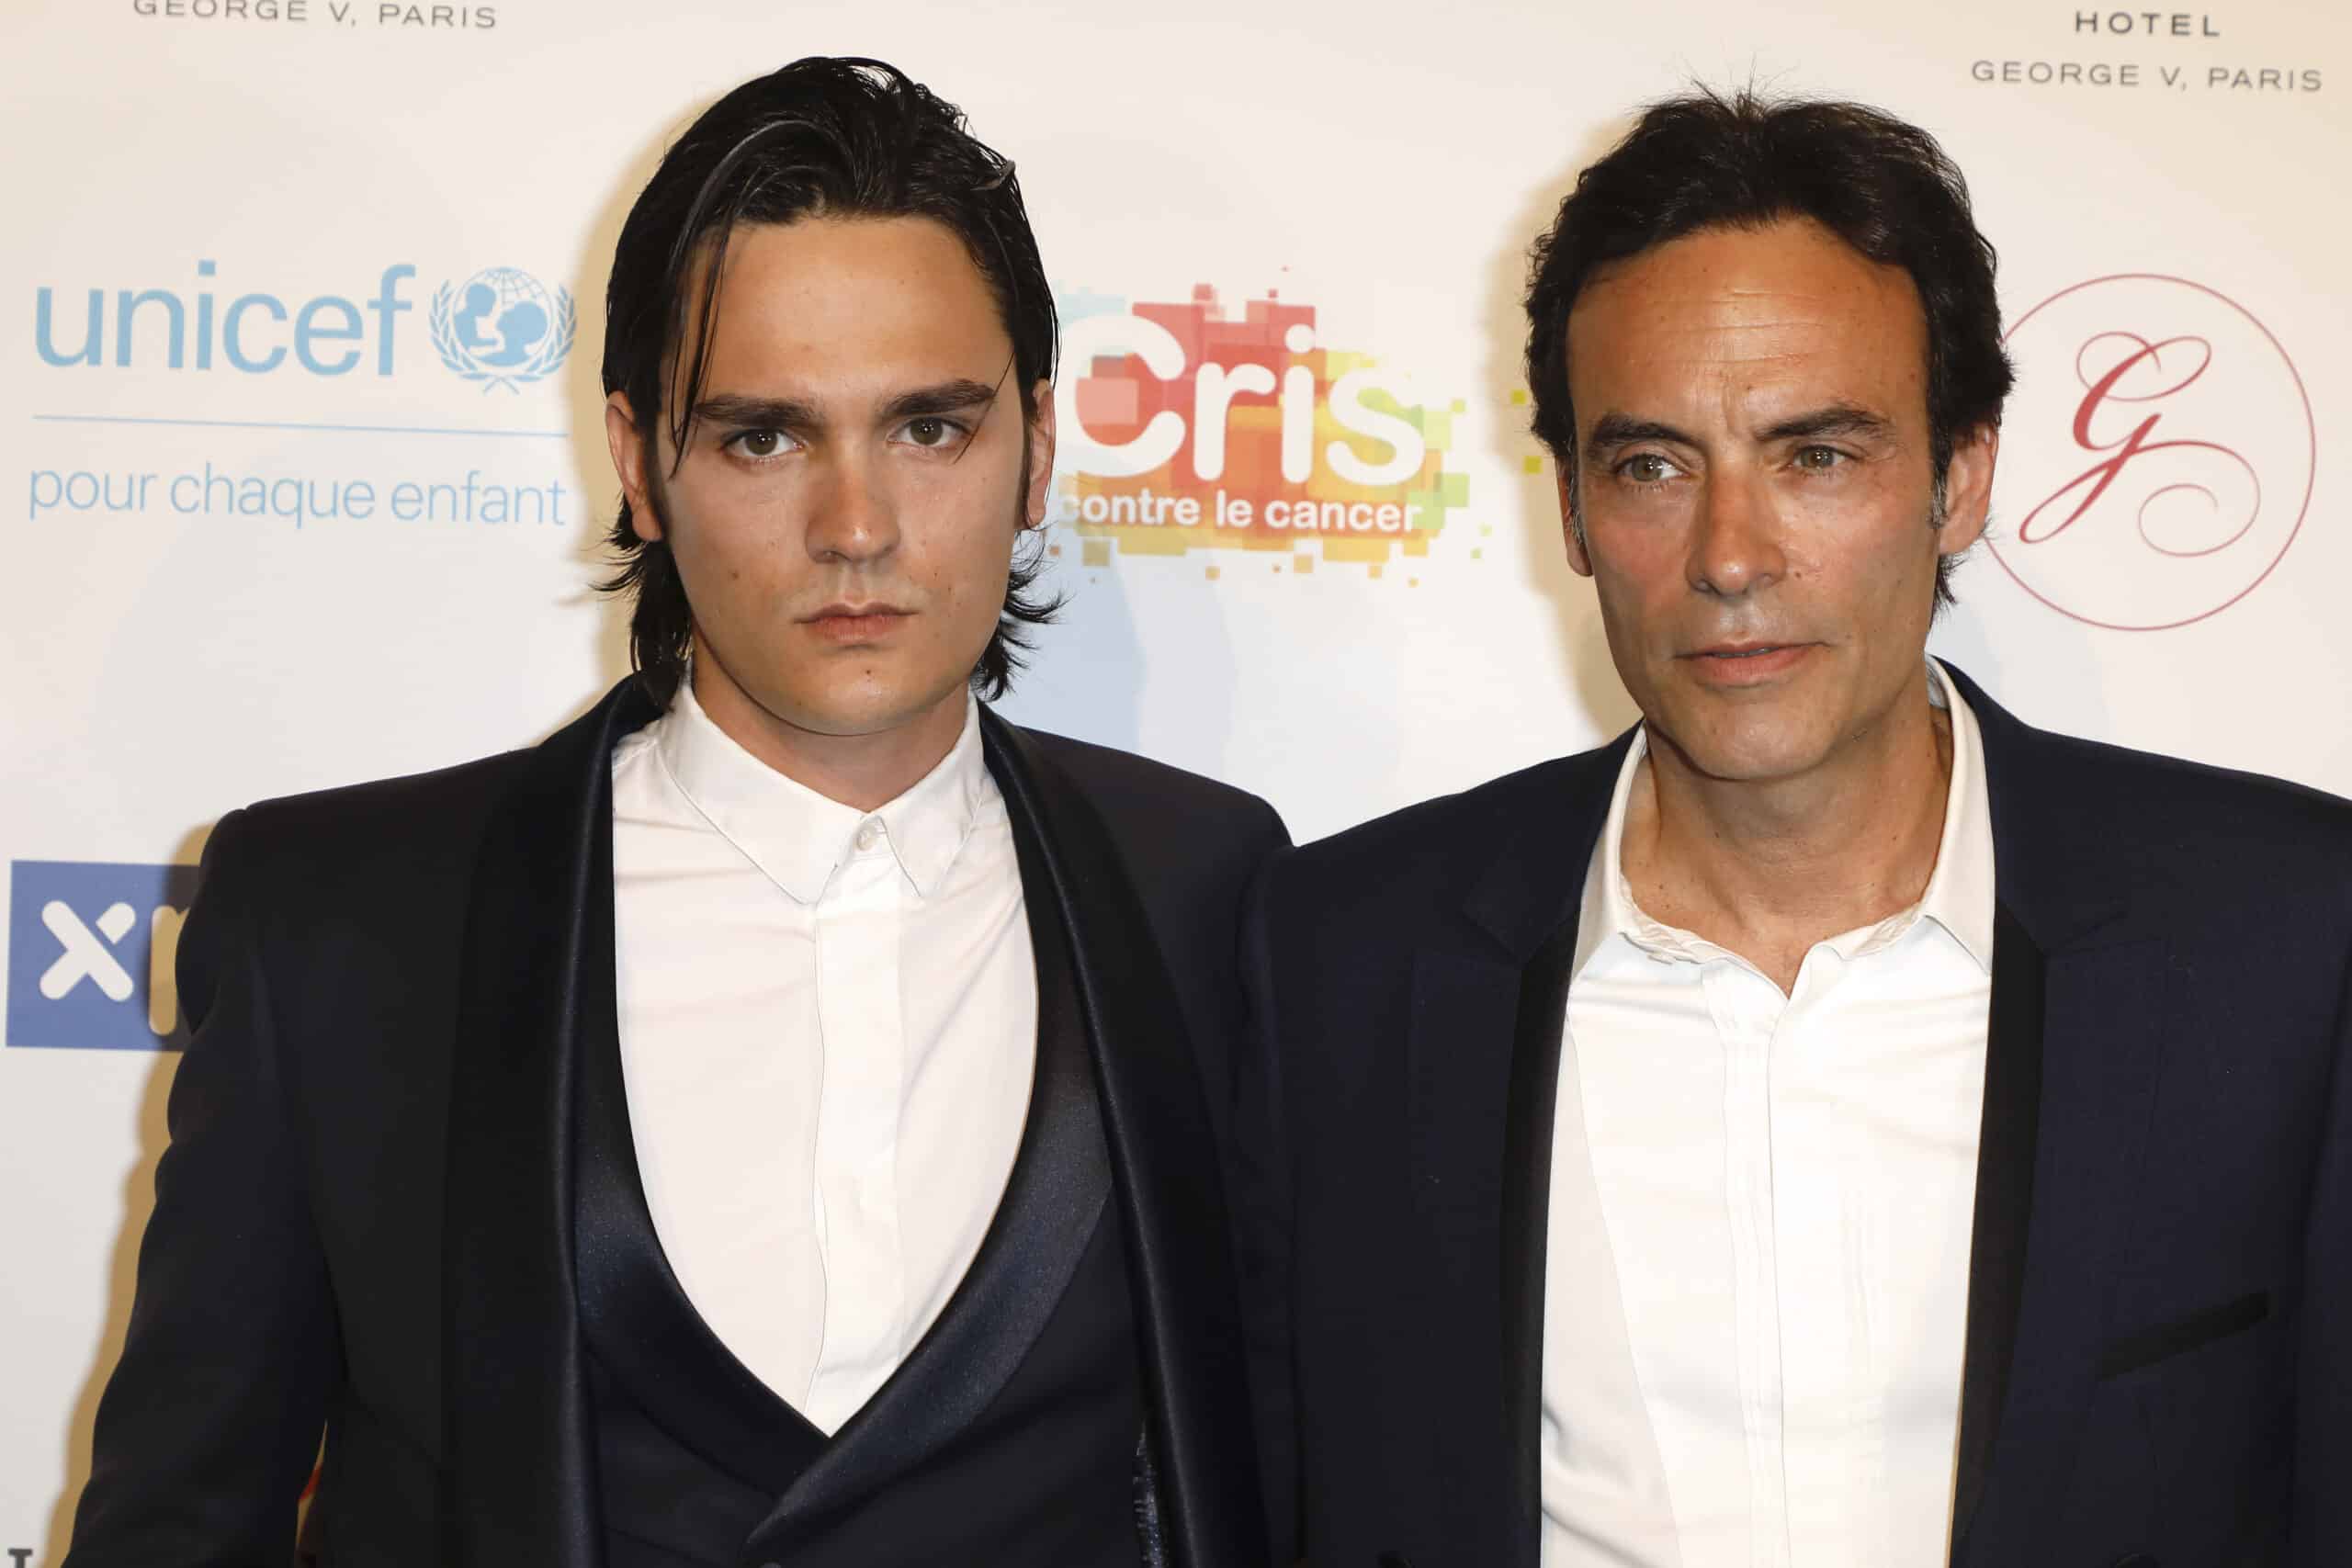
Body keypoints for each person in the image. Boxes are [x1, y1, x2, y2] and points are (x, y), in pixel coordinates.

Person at [64, 57, 1287, 1568]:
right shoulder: (339, 925)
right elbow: (180, 1527)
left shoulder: (1212, 891)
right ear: (640, 463)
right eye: (764, 436)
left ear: (1037, 445)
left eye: (928, 428)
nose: (856, 527)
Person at [1249, 89, 2352, 1567]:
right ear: (1571, 512)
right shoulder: (1340, 964)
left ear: (1962, 475)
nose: (1730, 556)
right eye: (1651, 465)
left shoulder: (2289, 945)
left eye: (1816, 455)